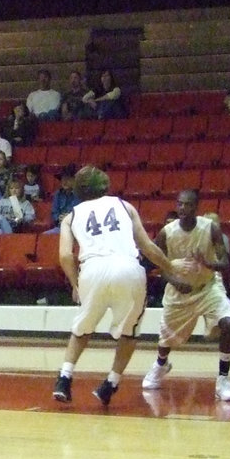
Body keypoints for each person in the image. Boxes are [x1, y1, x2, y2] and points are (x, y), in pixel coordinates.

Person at [52, 166, 179, 407]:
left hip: (92, 269)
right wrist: (170, 268)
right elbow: (148, 248)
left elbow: (66, 256)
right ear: (104, 184)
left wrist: (75, 284)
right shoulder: (124, 206)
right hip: (127, 268)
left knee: (82, 328)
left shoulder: (71, 215)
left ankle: (64, 378)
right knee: (129, 332)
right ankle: (110, 384)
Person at [141, 190, 230, 403]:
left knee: (228, 322)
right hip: (179, 291)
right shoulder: (167, 233)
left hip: (207, 288)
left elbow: (225, 263)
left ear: (196, 207)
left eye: (187, 205)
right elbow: (154, 263)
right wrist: (175, 281)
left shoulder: (210, 228)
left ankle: (223, 379)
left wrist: (207, 263)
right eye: (180, 204)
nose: (182, 208)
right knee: (165, 341)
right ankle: (161, 364)